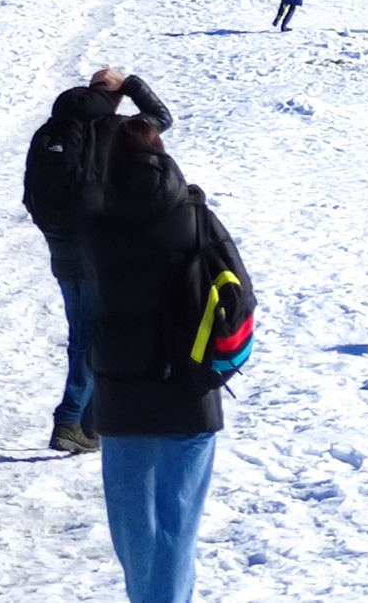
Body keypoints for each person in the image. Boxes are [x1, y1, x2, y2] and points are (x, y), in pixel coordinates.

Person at [87, 116, 222, 603]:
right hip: (189, 386)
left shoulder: (95, 223)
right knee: (178, 525)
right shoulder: (195, 215)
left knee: (133, 529)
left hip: (121, 395)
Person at [22, 68, 174, 454]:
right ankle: (70, 419)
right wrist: (133, 84)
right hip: (101, 251)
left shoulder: (50, 131)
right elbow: (163, 118)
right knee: (91, 338)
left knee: (85, 334)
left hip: (61, 249)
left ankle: (91, 424)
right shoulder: (120, 130)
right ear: (116, 97)